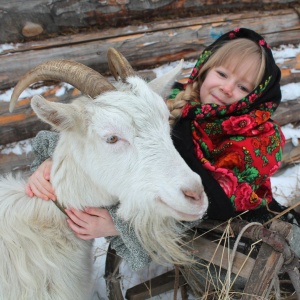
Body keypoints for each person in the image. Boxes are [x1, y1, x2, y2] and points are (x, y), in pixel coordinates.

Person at [25, 28, 287, 269]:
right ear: (204, 70)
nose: (227, 88)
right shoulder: (170, 104)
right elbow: (112, 142)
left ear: (256, 97)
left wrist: (119, 225)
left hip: (234, 234)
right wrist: (52, 161)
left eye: (243, 87)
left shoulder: (259, 139)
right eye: (222, 74)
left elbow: (214, 206)